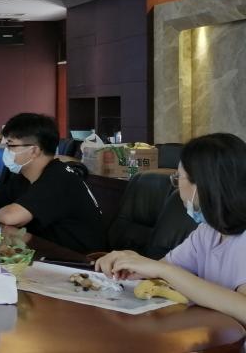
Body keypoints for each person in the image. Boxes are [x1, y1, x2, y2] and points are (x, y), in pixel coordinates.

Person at [96, 133, 246, 324]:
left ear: (202, 185)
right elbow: (168, 269)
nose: (177, 186)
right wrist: (130, 261)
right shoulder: (207, 232)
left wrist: (162, 270)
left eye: (178, 177)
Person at [0, 113, 105, 254]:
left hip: (79, 262)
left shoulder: (59, 177)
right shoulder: (24, 175)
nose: (6, 151)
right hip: (42, 252)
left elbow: (11, 217)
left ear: (34, 150)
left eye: (10, 145)